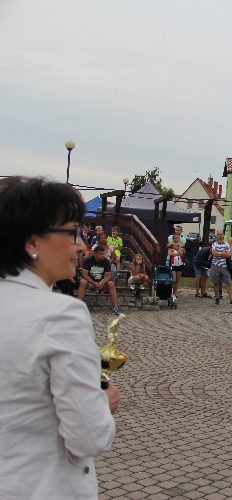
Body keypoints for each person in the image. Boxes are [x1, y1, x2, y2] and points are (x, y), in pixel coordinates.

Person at [0, 177, 118, 498]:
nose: (81, 245)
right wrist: (103, 403)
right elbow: (88, 437)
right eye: (71, 232)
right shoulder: (61, 314)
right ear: (32, 242)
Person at [77, 245, 121, 315]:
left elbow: (108, 276)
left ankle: (115, 308)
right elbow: (84, 275)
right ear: (95, 253)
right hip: (90, 282)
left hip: (101, 283)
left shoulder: (106, 261)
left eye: (103, 254)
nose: (103, 255)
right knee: (83, 281)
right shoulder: (88, 260)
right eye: (100, 254)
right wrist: (93, 283)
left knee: (111, 283)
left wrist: (101, 283)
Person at [210, 230, 232, 306]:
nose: (220, 236)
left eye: (221, 234)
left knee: (229, 282)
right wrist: (222, 253)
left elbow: (228, 255)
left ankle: (231, 299)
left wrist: (219, 253)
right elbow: (214, 253)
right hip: (215, 265)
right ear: (217, 235)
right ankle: (217, 298)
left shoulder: (226, 244)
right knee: (216, 282)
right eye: (219, 234)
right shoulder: (214, 244)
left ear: (223, 235)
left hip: (224, 266)